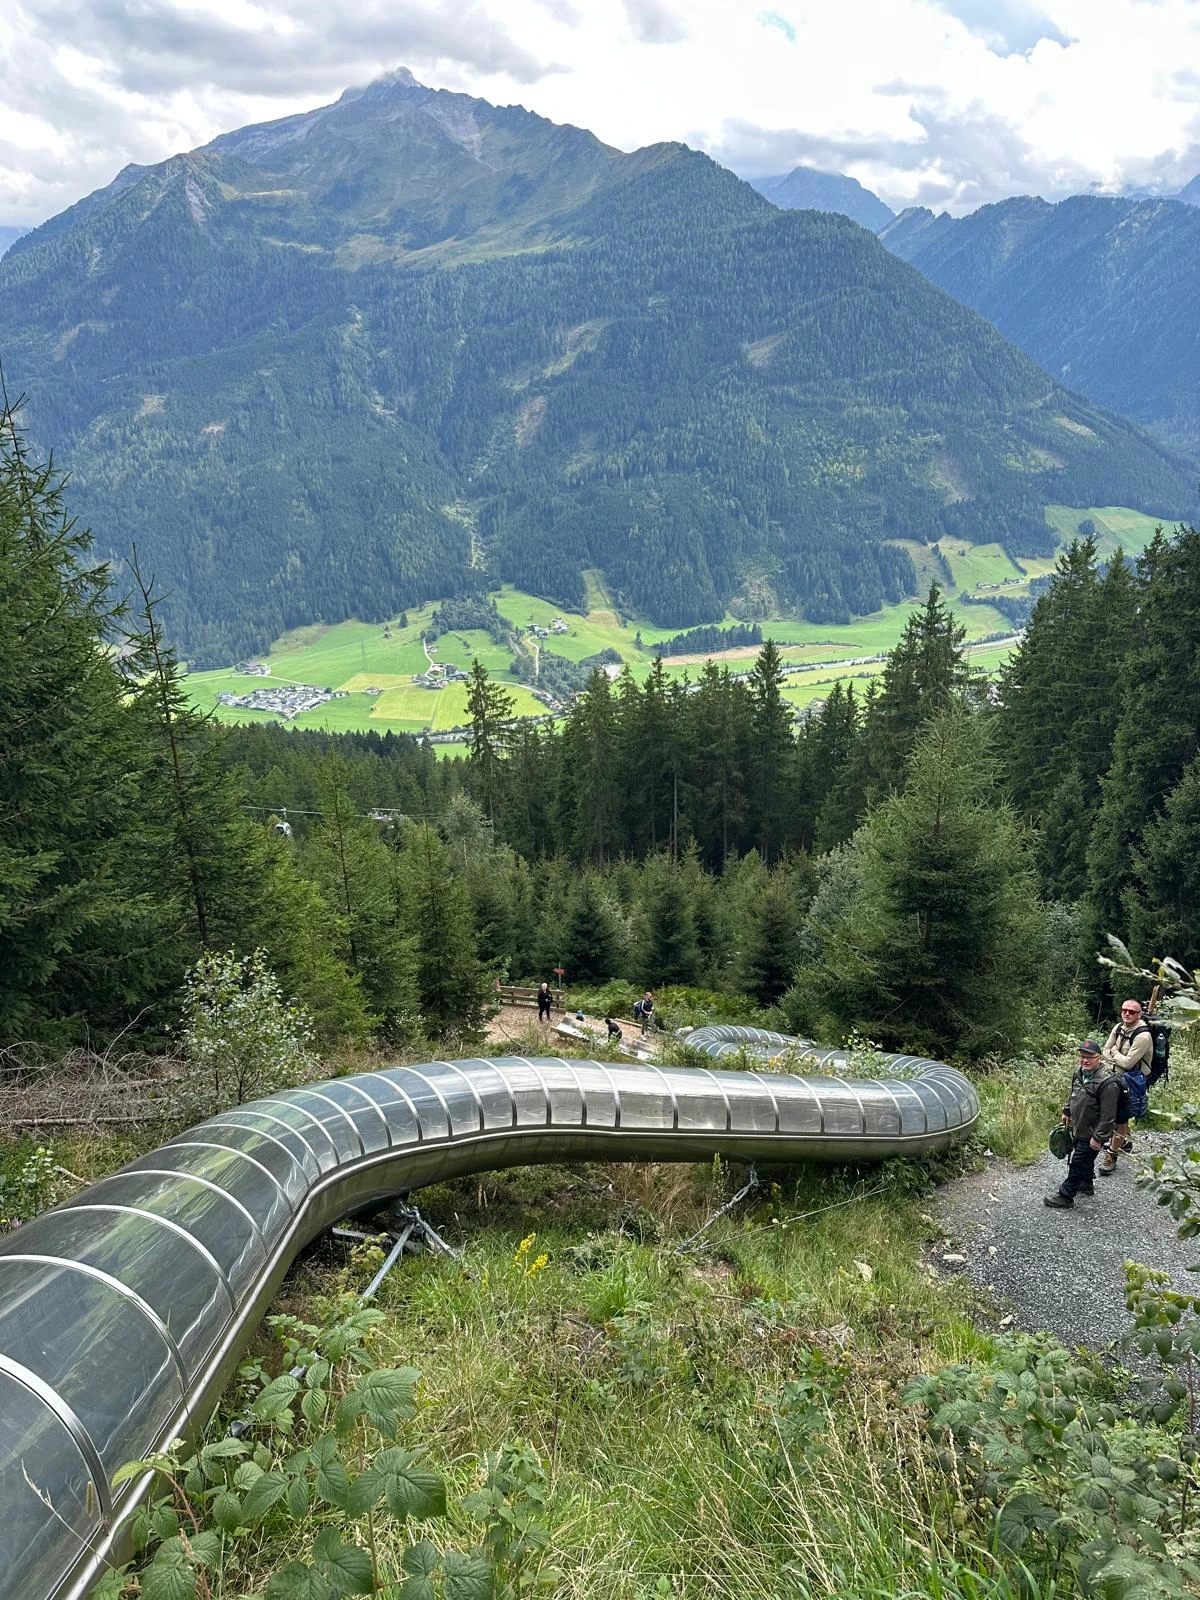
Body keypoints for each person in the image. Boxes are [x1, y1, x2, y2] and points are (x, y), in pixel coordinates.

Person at [1044, 1040, 1122, 1208]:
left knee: (1078, 1161)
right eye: (1082, 1057)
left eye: (1090, 1057)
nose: (1085, 1060)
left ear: (1099, 1058)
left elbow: (1109, 1116)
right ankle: (1086, 1184)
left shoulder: (1108, 1083)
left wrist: (1098, 1138)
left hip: (1093, 1131)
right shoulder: (1079, 1073)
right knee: (1082, 1157)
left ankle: (1066, 1195)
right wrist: (1067, 1110)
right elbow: (1073, 1093)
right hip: (1079, 1126)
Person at [1099, 998, 1154, 1174]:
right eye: (1125, 1010)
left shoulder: (1143, 1036)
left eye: (1132, 1011)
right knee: (1119, 1114)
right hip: (1116, 1076)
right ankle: (1125, 1140)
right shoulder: (1118, 1027)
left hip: (1133, 1081)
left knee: (1120, 1117)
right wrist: (1115, 1055)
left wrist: (1114, 1051)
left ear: (1139, 1014)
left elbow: (1128, 1063)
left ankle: (1112, 1155)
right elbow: (1103, 1052)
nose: (1127, 1014)